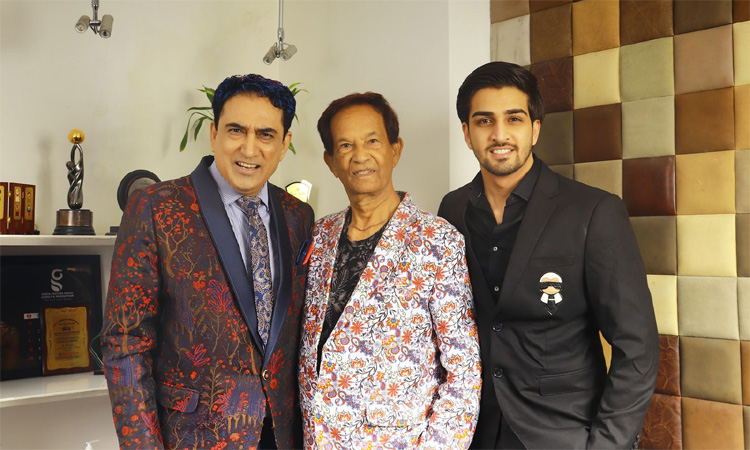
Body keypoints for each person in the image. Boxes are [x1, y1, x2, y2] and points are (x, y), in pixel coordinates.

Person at [438, 62, 659, 449]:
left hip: (563, 433)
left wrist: (607, 445)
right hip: (473, 432)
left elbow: (637, 347)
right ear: (467, 133)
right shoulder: (452, 210)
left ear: (535, 129)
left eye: (514, 119)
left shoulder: (593, 212)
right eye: (485, 121)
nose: (500, 134)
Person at [101, 74, 314, 450]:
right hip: (192, 437)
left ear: (284, 144)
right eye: (236, 130)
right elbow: (126, 340)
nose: (249, 148)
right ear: (214, 133)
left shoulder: (299, 215)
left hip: (282, 435)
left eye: (265, 134)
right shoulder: (155, 206)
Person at [298, 92, 482, 449]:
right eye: (345, 145)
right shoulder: (318, 236)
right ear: (330, 161)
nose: (360, 155)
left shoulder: (437, 241)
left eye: (372, 141)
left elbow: (463, 372)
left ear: (395, 150)